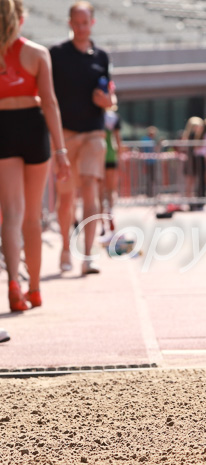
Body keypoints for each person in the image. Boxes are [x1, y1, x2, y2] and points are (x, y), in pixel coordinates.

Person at [0, 0, 70, 312]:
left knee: (11, 213)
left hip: (3, 128)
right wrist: (61, 150)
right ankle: (36, 288)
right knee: (32, 215)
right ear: (21, 19)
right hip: (33, 128)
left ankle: (14, 282)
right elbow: (51, 104)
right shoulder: (38, 53)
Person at [50, 1, 115, 275]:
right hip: (64, 135)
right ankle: (65, 249)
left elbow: (110, 96)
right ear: (69, 23)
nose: (80, 27)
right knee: (66, 198)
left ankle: (87, 256)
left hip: (93, 132)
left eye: (85, 22)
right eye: (76, 23)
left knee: (90, 187)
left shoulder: (101, 57)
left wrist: (106, 101)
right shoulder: (56, 54)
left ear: (92, 23)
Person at [100, 106, 121, 236]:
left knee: (100, 192)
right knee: (110, 190)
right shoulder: (113, 117)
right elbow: (118, 140)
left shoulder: (95, 116)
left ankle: (102, 223)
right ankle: (110, 214)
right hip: (111, 155)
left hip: (98, 155)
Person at [181, 116, 203, 200]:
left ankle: (191, 198)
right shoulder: (189, 136)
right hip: (190, 160)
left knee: (193, 181)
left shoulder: (195, 136)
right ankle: (189, 199)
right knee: (189, 181)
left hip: (194, 160)